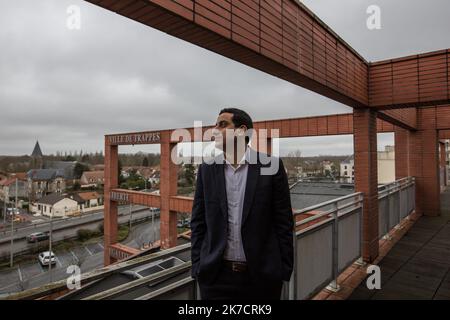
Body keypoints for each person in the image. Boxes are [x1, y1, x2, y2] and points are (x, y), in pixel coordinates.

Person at [190, 107, 294, 300]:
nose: (214, 131)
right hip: (215, 278)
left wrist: (282, 270)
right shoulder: (207, 169)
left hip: (261, 279)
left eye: (222, 125)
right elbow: (198, 221)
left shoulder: (271, 167)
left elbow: (284, 222)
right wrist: (198, 266)